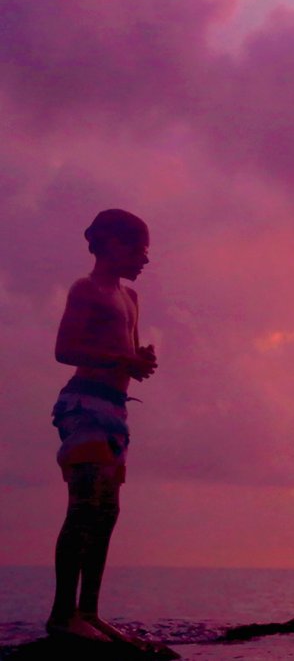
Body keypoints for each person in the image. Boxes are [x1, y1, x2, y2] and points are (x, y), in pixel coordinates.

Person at [46, 209, 156, 643]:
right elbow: (65, 348)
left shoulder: (129, 297)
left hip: (115, 410)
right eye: (138, 249)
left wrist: (139, 360)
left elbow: (123, 351)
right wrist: (124, 359)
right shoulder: (86, 290)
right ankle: (62, 615)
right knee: (84, 507)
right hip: (84, 405)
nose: (144, 259)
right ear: (110, 244)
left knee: (107, 512)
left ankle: (88, 613)